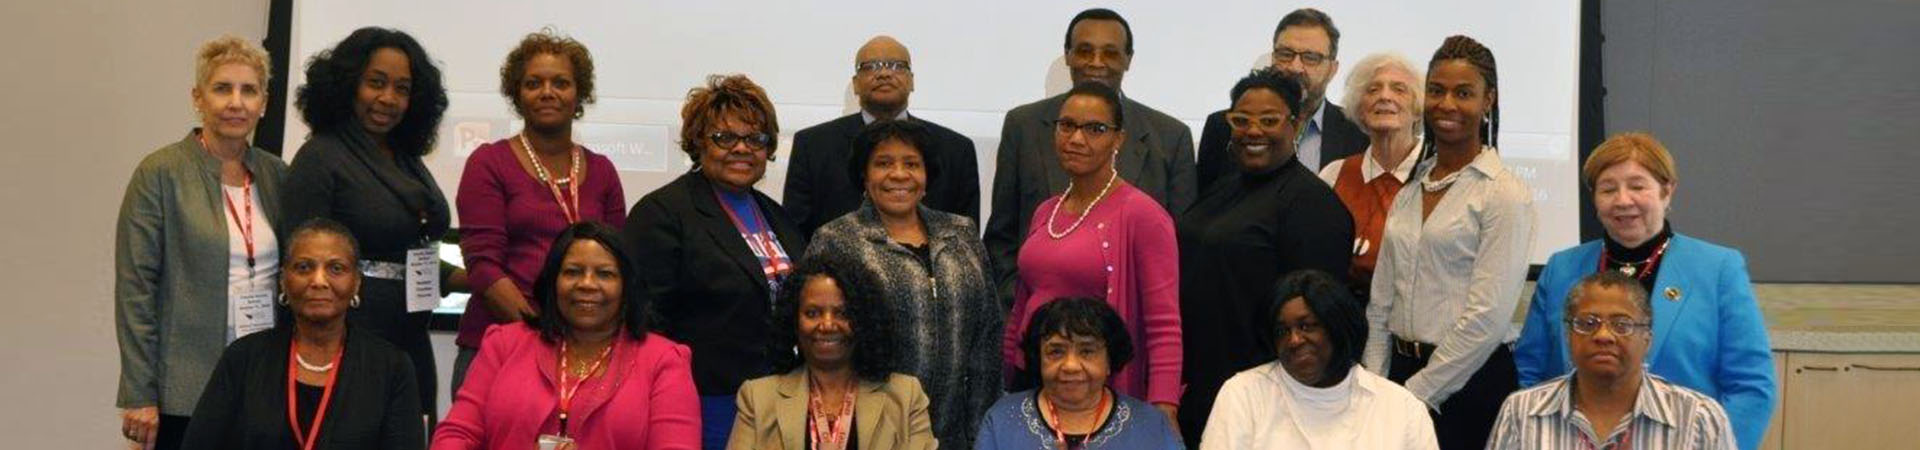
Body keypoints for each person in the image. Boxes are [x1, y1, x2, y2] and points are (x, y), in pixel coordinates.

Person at [1515, 132, 1776, 449]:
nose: (1623, 200)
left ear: (1668, 191)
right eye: (1608, 188)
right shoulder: (1561, 269)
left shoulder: (1719, 268)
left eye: (1637, 186)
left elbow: (1751, 386)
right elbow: (1530, 372)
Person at [1361, 35, 1536, 450]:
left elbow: (1486, 319)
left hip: (1467, 388)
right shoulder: (1411, 188)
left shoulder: (1503, 194)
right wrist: (1374, 384)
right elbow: (1381, 303)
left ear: (1488, 101)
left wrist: (1417, 393)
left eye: (1464, 93)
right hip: (1398, 377)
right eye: (1436, 91)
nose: (1447, 104)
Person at [115, 35, 288, 449]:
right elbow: (136, 289)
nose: (236, 102)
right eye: (222, 88)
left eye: (249, 91)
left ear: (264, 102)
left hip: (262, 380)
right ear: (198, 97)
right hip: (183, 387)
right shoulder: (160, 173)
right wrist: (140, 392)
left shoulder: (277, 175)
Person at [623, 74, 805, 450]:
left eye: (756, 139)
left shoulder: (777, 216)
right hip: (703, 400)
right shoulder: (662, 213)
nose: (742, 148)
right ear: (697, 143)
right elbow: (645, 319)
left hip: (777, 394)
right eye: (725, 138)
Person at [282, 26, 454, 423]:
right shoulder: (320, 158)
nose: (388, 99)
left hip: (409, 334)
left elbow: (401, 253)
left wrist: (473, 279)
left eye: (402, 89)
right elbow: (304, 265)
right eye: (375, 83)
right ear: (346, 85)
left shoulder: (404, 157)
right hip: (348, 339)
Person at [1175, 67, 1353, 444]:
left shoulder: (1314, 206)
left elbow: (1314, 323)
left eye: (1269, 120)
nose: (1253, 131)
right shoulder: (1224, 188)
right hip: (1200, 381)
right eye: (1241, 120)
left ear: (1296, 123)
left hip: (1266, 396)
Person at [802, 120, 1002, 448]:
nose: (899, 174)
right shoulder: (836, 240)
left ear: (927, 176)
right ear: (864, 176)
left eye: (911, 164)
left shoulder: (961, 233)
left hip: (956, 432)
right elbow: (816, 339)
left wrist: (983, 431)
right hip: (873, 431)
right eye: (883, 163)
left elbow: (987, 336)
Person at [984, 7, 1196, 309]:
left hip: (1127, 324)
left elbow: (1180, 247)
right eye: (1085, 51)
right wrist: (1020, 302)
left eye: (1110, 53)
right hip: (1038, 324)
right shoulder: (1024, 126)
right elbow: (1001, 235)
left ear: (1128, 59)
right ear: (1068, 55)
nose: (1096, 63)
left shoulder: (1170, 136)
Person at [452, 29, 627, 394]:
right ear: (517, 93)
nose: (547, 92)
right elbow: (483, 267)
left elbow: (619, 264)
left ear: (578, 94)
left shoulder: (603, 170)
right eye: (534, 83)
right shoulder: (489, 163)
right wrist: (542, 333)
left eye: (560, 82)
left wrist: (580, 339)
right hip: (498, 344)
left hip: (586, 351)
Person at [1000, 80, 1182, 430]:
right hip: (1034, 379)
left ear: (1119, 139)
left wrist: (1163, 406)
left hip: (1097, 386)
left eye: (1095, 129)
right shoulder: (1047, 210)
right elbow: (1024, 302)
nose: (1077, 139)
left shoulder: (1143, 215)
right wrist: (1008, 378)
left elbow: (1164, 324)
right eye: (1067, 125)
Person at [435, 222, 700, 449]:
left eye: (604, 274)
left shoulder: (664, 361)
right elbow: (457, 434)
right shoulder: (504, 344)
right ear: (553, 282)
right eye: (572, 272)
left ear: (627, 286)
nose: (586, 284)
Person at [180, 218, 425, 449]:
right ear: (283, 281)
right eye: (304, 267)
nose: (319, 280)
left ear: (356, 283)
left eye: (336, 268)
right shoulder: (243, 358)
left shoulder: (391, 368)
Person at [1488, 272, 1738, 450]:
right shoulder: (1522, 412)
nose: (1604, 336)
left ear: (1647, 339)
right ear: (1568, 336)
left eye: (1622, 324)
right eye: (1587, 324)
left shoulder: (1699, 418)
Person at [1200, 270, 1436, 449]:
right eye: (1282, 331)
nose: (1294, 340)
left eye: (1307, 326)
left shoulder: (1400, 407)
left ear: (1338, 327)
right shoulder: (1243, 394)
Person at [727, 258, 936, 450]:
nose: (827, 325)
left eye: (842, 313)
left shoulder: (905, 395)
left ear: (864, 321)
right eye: (812, 313)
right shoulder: (758, 398)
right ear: (793, 320)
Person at [783, 35, 979, 239]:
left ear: (912, 81)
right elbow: (794, 235)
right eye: (870, 66)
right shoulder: (813, 145)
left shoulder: (956, 149)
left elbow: (966, 241)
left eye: (896, 66)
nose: (884, 73)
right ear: (856, 84)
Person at [976, 298, 1182, 449]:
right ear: (1038, 358)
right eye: (1056, 351)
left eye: (1087, 351)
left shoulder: (1151, 425)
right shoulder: (1002, 421)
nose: (1071, 365)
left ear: (1109, 360)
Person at [1197, 8, 1367, 189]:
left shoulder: (1358, 132)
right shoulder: (1223, 126)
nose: (1295, 67)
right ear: (1272, 58)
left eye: (1310, 57)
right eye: (1286, 54)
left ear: (1333, 69)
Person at [1317, 52, 1424, 299]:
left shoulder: (1437, 177)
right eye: (1373, 90)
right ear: (1360, 110)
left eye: (1399, 89)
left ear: (1418, 109)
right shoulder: (1333, 174)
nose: (1385, 96)